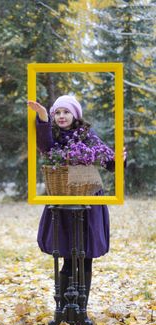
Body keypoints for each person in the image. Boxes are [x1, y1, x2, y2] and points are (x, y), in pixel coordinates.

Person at [27, 95, 126, 312]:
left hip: (88, 197)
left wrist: (119, 159)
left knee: (86, 254)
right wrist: (43, 117)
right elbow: (46, 147)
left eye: (66, 112)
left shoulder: (87, 136)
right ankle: (64, 309)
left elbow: (109, 163)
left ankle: (81, 308)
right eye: (58, 113)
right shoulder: (52, 134)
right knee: (68, 254)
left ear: (75, 115)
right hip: (65, 198)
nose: (61, 116)